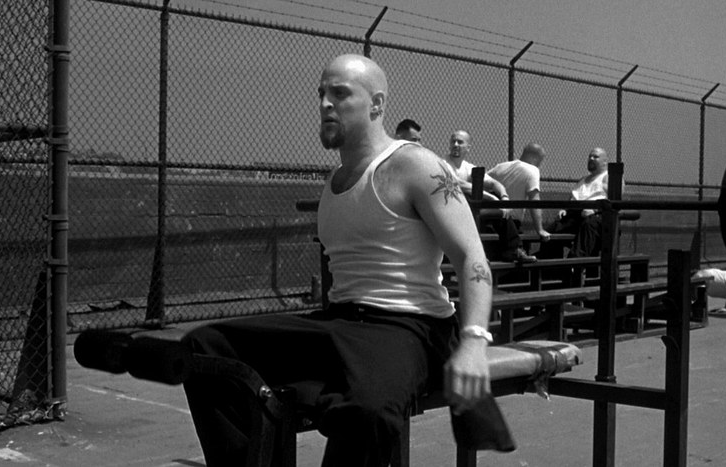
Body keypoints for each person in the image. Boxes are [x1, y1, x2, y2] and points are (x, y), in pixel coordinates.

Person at [181, 54, 509, 467]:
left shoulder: (416, 165)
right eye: (321, 94)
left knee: (368, 411)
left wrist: (475, 342)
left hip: (409, 325)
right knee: (203, 349)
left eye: (339, 94)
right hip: (341, 322)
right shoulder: (333, 184)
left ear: (376, 104)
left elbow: (471, 257)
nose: (325, 104)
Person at [442, 130, 537, 263]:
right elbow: (458, 184)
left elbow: (494, 183)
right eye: (453, 141)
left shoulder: (468, 167)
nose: (456, 144)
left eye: (460, 142)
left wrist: (504, 198)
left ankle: (513, 250)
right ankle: (476, 255)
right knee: (478, 199)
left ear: (468, 147)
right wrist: (492, 199)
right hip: (449, 213)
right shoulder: (443, 164)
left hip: (468, 212)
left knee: (497, 209)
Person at [539, 147, 616, 259]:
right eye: (590, 156)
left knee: (589, 225)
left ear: (605, 162)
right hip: (574, 215)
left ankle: (575, 263)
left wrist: (595, 210)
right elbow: (572, 197)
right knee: (551, 231)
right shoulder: (583, 179)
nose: (591, 158)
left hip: (596, 216)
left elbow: (614, 202)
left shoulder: (608, 178)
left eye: (595, 157)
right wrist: (564, 209)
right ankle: (551, 265)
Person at [487, 142, 552, 242]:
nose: (540, 164)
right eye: (540, 161)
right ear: (534, 158)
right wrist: (540, 229)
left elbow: (480, 182)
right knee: (519, 247)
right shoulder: (532, 170)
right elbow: (534, 201)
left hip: (490, 220)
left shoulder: (500, 167)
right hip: (511, 223)